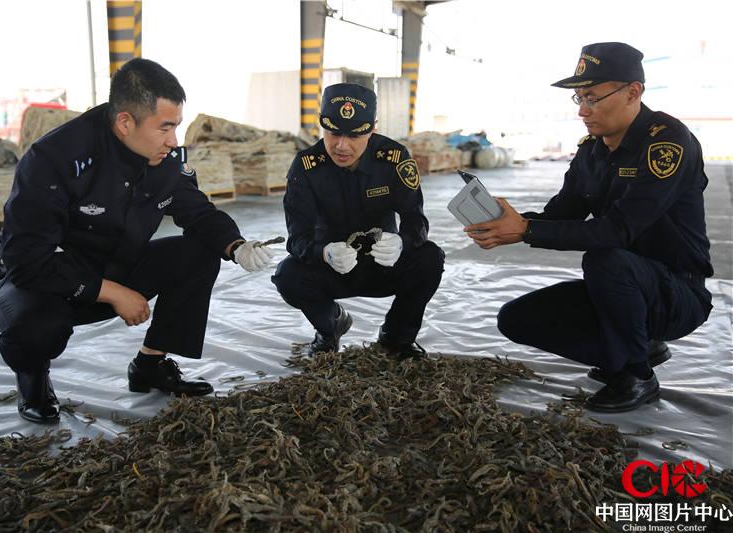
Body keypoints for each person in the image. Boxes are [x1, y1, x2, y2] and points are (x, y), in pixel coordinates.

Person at [0, 58, 275, 424]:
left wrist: (236, 245)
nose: (174, 141)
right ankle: (33, 381)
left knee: (198, 252)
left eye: (177, 127)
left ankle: (150, 365)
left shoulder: (164, 158)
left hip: (118, 264)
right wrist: (111, 292)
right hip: (40, 282)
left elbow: (196, 212)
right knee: (37, 324)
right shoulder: (54, 158)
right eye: (165, 128)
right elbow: (25, 259)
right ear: (125, 122)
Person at [465, 42, 713, 413]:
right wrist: (509, 221)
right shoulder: (591, 151)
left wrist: (526, 231)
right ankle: (637, 347)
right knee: (516, 319)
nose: (582, 110)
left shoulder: (667, 143)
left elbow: (618, 231)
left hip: (678, 291)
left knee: (605, 258)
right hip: (619, 290)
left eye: (593, 98)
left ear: (633, 92)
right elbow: (564, 214)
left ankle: (635, 375)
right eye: (579, 98)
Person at [272, 83, 445, 359]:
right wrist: (324, 253)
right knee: (287, 275)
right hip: (332, 268)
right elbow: (297, 238)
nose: (342, 145)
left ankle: (396, 336)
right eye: (333, 133)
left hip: (382, 264)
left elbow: (416, 219)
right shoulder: (307, 167)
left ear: (372, 129)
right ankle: (330, 326)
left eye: (354, 135)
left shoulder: (393, 159)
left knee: (430, 258)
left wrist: (402, 242)